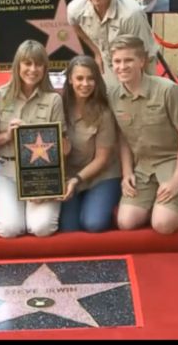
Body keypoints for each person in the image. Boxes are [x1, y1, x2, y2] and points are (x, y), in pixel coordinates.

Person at [108, 34, 178, 234]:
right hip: (144, 166)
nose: (122, 66)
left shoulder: (167, 90)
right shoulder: (114, 97)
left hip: (175, 160)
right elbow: (123, 137)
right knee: (126, 222)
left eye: (128, 60)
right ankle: (160, 203)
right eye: (117, 61)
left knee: (162, 225)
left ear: (142, 61)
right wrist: (127, 173)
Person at [0, 39, 69, 238]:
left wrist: (49, 183)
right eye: (27, 63)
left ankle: (32, 209)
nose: (33, 69)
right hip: (7, 169)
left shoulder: (53, 99)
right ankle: (16, 208)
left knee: (42, 228)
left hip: (42, 171)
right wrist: (7, 136)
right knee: (9, 229)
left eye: (39, 64)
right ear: (18, 65)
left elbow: (65, 145)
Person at [67, 0, 158, 87]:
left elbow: (144, 55)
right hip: (109, 63)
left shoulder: (131, 14)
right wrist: (97, 52)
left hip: (138, 65)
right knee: (112, 101)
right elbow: (75, 25)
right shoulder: (75, 8)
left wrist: (136, 87)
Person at [59, 55, 121, 232]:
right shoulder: (59, 106)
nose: (85, 84)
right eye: (79, 78)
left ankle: (107, 201)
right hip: (69, 175)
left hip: (101, 176)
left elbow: (102, 159)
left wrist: (76, 180)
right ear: (70, 79)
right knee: (68, 227)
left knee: (93, 224)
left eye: (90, 78)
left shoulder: (104, 113)